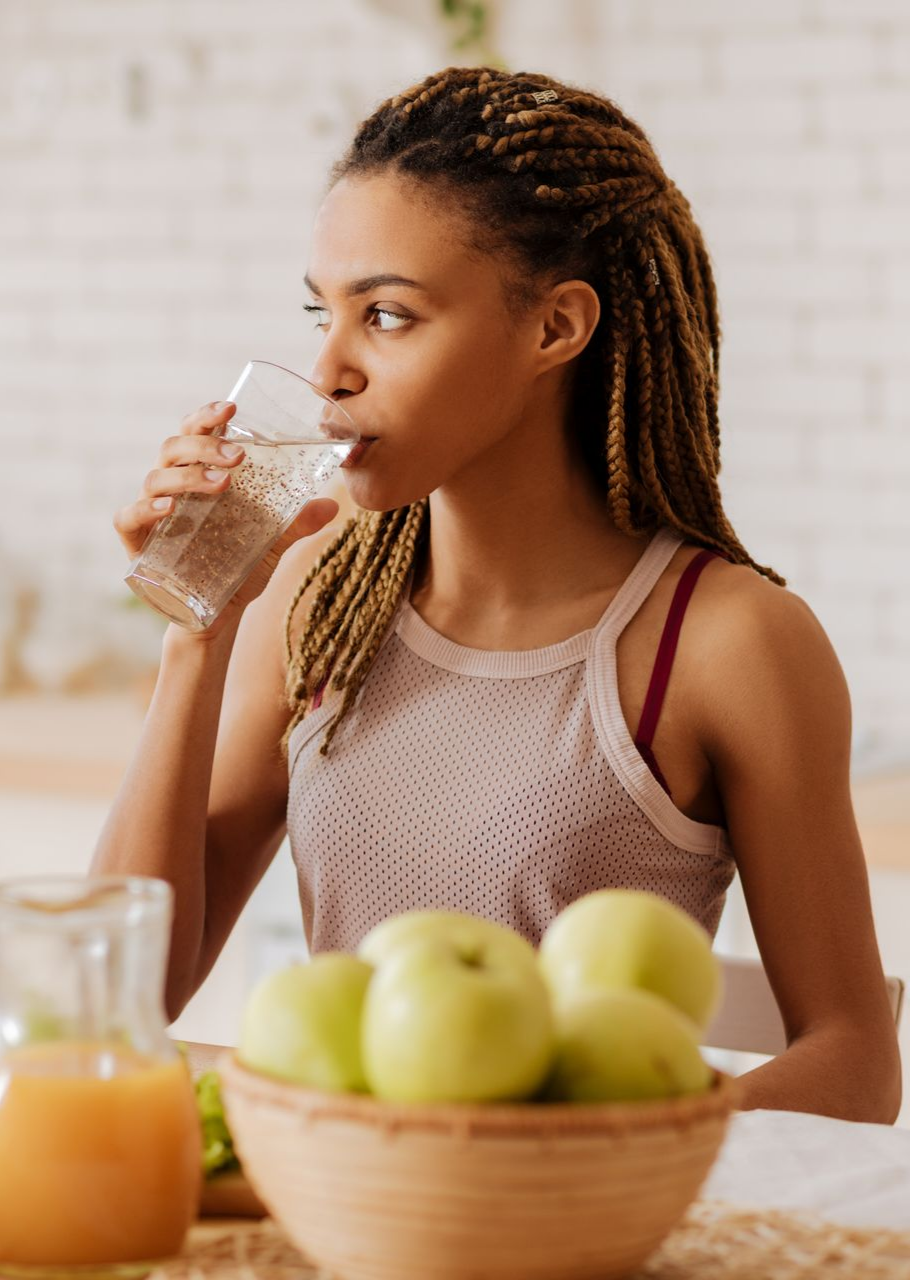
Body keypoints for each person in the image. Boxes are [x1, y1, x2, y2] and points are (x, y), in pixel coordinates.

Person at [94, 66, 901, 1122]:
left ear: (554, 328)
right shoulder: (312, 596)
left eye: (384, 315)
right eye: (319, 311)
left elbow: (851, 1059)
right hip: (352, 1218)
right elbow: (117, 998)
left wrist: (606, 1152)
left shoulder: (725, 641)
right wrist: (196, 629)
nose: (327, 366)